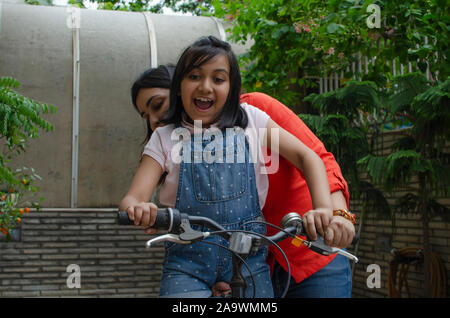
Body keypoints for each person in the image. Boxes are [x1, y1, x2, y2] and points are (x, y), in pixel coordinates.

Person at [119, 35, 349, 298]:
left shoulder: (252, 118)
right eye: (194, 76)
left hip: (263, 259)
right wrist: (139, 207)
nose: (205, 86)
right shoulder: (164, 138)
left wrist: (326, 210)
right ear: (179, 85)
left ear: (231, 88)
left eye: (218, 79)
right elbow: (133, 198)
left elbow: (310, 156)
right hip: (189, 266)